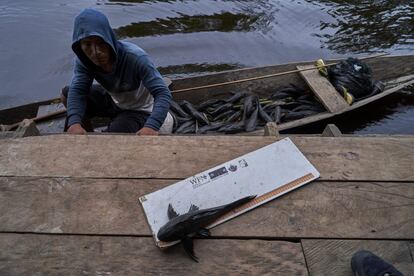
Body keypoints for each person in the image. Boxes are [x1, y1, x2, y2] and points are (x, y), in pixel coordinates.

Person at [61, 8, 173, 135]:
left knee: (112, 137)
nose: (95, 52)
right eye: (87, 45)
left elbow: (163, 93)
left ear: (108, 39)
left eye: (100, 43)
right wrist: (75, 123)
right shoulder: (84, 60)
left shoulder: (135, 58)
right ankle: (86, 134)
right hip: (115, 101)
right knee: (67, 94)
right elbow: (78, 90)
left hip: (141, 109)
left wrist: (152, 126)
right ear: (80, 46)